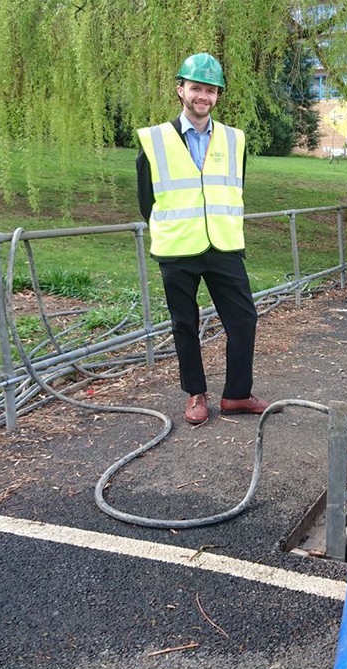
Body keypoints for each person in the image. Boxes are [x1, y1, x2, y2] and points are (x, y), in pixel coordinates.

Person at [136, 52, 270, 425]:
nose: (203, 96)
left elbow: (233, 186)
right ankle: (196, 394)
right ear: (181, 90)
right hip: (178, 247)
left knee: (243, 319)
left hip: (223, 245)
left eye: (210, 90)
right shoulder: (155, 140)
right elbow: (146, 200)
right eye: (196, 88)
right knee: (185, 323)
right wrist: (172, 228)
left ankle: (237, 395)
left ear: (217, 96)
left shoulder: (234, 139)